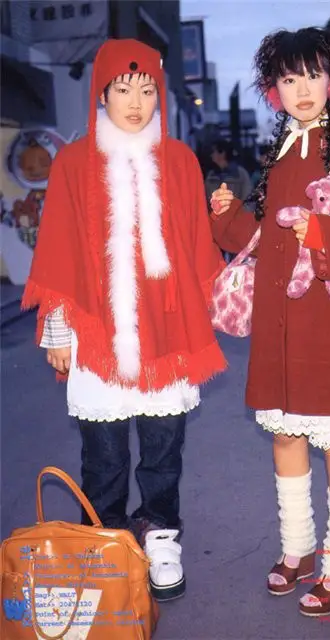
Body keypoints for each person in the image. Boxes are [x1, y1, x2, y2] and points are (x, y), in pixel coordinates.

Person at [21, 38, 227, 603]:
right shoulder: (73, 161)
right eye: (123, 90)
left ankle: (161, 538)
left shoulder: (181, 161)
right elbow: (58, 248)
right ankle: (106, 541)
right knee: (104, 453)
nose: (136, 102)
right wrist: (58, 332)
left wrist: (218, 301)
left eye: (147, 90)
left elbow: (196, 247)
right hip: (96, 331)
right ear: (102, 93)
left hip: (167, 332)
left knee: (164, 447)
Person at [209, 27, 330, 617]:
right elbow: (273, 238)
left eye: (313, 74)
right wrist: (228, 219)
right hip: (283, 326)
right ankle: (297, 549)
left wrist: (324, 234)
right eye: (288, 78)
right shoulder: (284, 149)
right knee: (286, 435)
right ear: (273, 90)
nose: (302, 89)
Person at [205, 139, 252, 205]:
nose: (211, 155)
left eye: (213, 152)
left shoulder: (240, 174)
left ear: (222, 153)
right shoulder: (211, 175)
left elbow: (247, 198)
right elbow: (206, 199)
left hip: (236, 213)